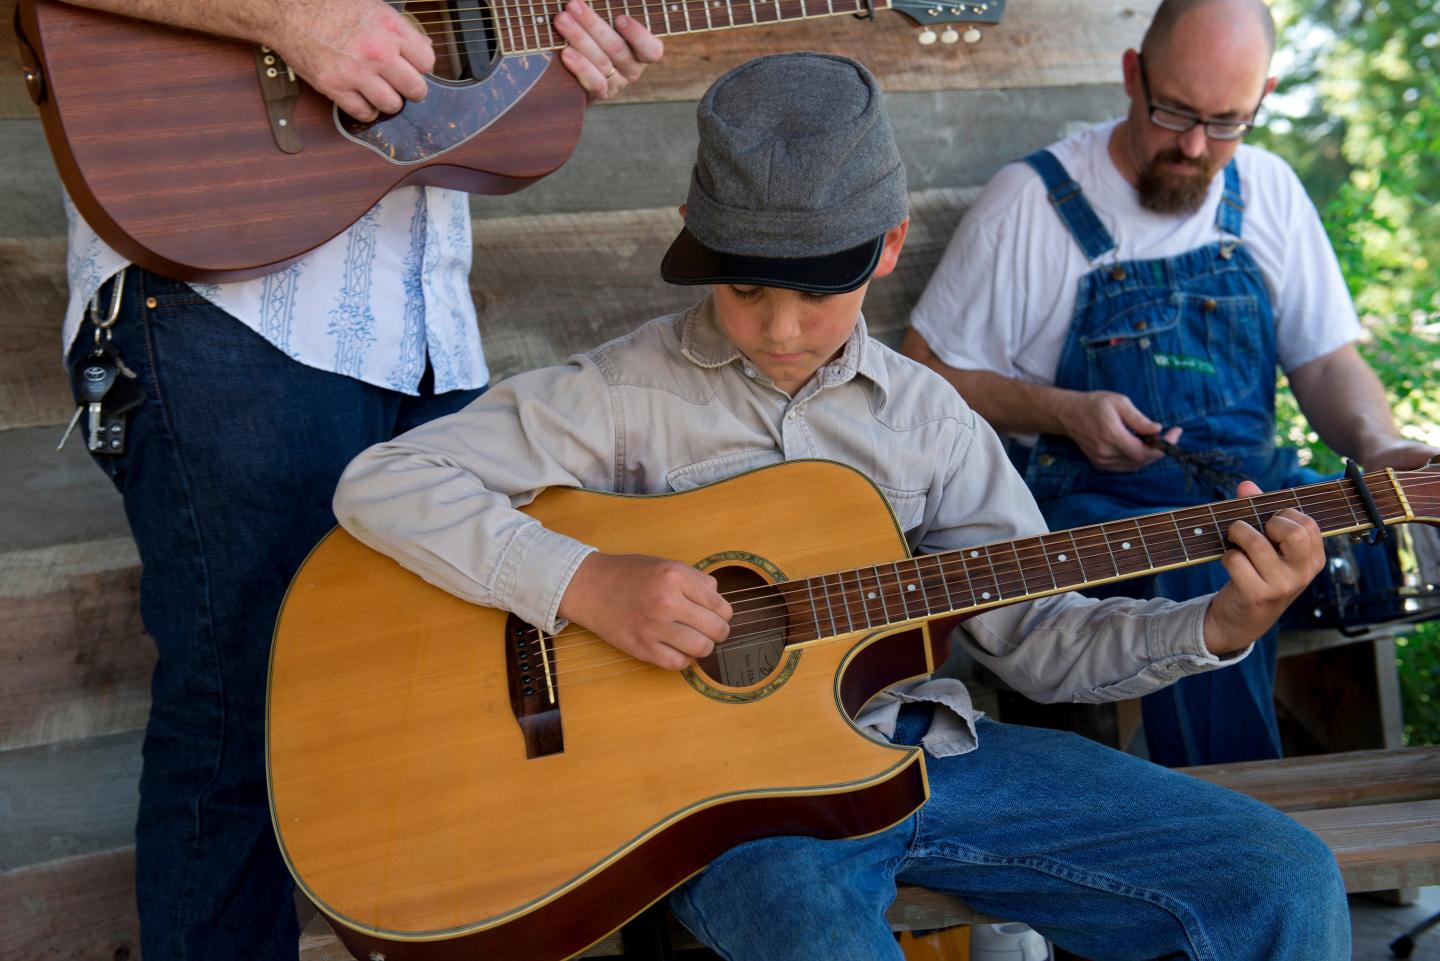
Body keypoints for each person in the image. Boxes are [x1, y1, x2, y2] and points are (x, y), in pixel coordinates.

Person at [333, 52, 1349, 960]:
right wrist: (585, 581)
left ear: (890, 245)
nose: (779, 328)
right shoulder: (617, 396)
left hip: (928, 756)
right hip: (732, 814)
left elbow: (1038, 639)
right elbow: (381, 483)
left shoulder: (930, 421)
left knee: (1280, 878)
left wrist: (1221, 621)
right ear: (693, 239)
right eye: (744, 291)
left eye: (818, 293)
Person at [54, 1, 662, 959]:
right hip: (226, 293)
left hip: (421, 331)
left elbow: (461, 44)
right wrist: (290, 17)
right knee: (242, 721)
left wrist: (563, 57)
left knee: (445, 714)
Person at [903, 0, 1438, 767]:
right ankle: (1239, 844)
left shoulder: (1268, 190)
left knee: (1361, 539)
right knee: (1214, 564)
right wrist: (1063, 410)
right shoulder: (1033, 204)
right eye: (1174, 112)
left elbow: (1324, 362)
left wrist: (1381, 445)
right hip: (1095, 510)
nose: (1193, 145)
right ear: (1132, 74)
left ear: (1264, 98)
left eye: (1226, 122)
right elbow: (923, 369)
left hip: (1254, 487)